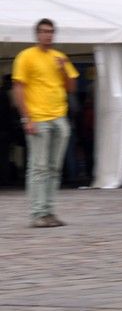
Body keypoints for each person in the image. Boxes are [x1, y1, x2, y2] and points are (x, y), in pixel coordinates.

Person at [12, 18, 79, 228]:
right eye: (43, 31)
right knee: (38, 167)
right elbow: (19, 88)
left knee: (54, 167)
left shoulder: (60, 57)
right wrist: (26, 118)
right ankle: (37, 213)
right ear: (37, 34)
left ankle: (49, 211)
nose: (47, 35)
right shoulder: (26, 56)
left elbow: (72, 87)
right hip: (38, 118)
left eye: (50, 31)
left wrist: (63, 69)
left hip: (59, 117)